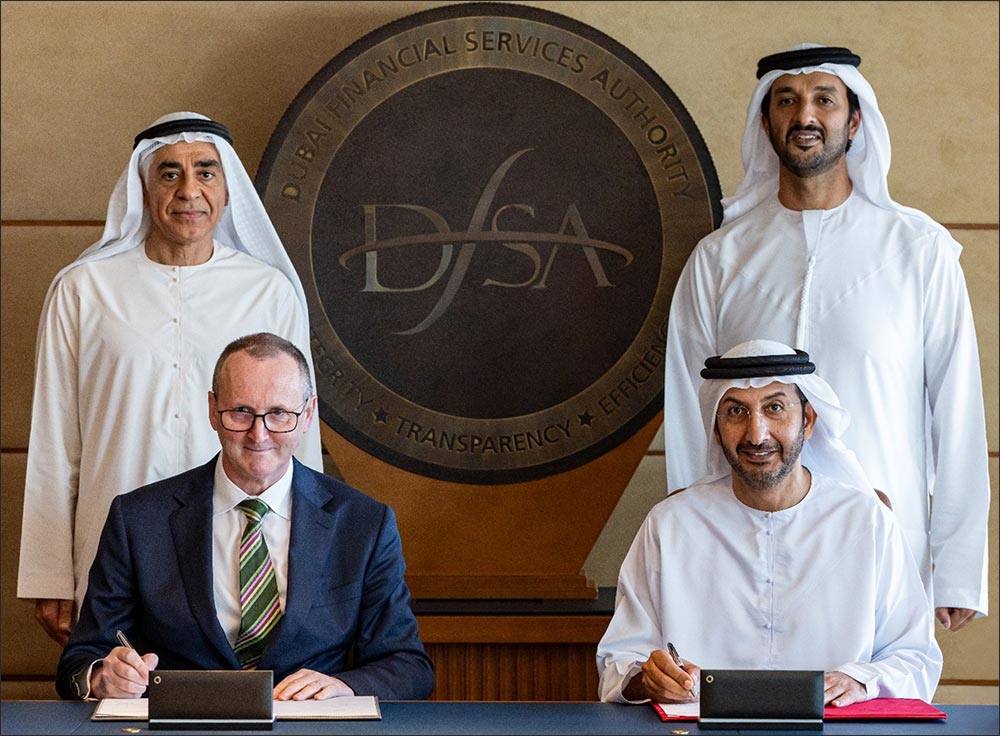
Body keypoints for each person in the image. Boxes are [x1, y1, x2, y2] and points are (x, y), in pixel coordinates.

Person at [663, 44, 990, 630]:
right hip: (743, 551)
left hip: (886, 544)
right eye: (786, 101)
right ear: (766, 123)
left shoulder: (919, 250)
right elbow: (692, 414)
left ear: (855, 120)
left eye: (824, 100)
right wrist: (691, 547)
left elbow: (958, 409)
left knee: (876, 686)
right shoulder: (718, 260)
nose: (805, 116)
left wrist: (959, 566)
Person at [18, 112, 324, 647]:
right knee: (118, 689)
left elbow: (298, 435)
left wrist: (313, 562)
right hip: (112, 549)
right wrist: (49, 575)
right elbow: (55, 442)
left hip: (239, 548)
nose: (189, 191)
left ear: (227, 190)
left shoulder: (269, 291)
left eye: (206, 172)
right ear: (143, 187)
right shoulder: (83, 290)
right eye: (169, 173)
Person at [56, 332, 434, 701]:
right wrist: (103, 677)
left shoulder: (364, 524)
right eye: (241, 412)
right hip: (182, 727)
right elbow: (79, 661)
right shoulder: (138, 520)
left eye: (279, 414)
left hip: (308, 727)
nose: (259, 434)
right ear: (212, 410)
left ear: (308, 414)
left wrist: (345, 687)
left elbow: (409, 667)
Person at [599, 340, 941, 706]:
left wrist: (861, 680)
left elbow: (915, 657)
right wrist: (649, 679)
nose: (756, 435)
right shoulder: (670, 526)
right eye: (736, 412)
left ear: (807, 421)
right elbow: (620, 663)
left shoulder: (867, 521)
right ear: (717, 430)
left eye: (774, 408)